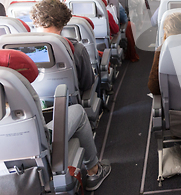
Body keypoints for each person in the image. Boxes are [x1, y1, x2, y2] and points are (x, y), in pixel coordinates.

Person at [4, 49, 111, 191]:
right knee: (78, 110)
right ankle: (94, 171)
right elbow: (33, 71)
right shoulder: (10, 65)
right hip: (37, 149)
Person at [30, 0, 94, 94]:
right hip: (69, 105)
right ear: (64, 22)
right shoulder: (76, 50)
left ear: (34, 20)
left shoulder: (21, 48)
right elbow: (87, 84)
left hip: (30, 105)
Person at [147, 13, 181, 95]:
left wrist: (163, 45)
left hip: (172, 102)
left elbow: (153, 87)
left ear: (166, 33)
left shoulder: (161, 51)